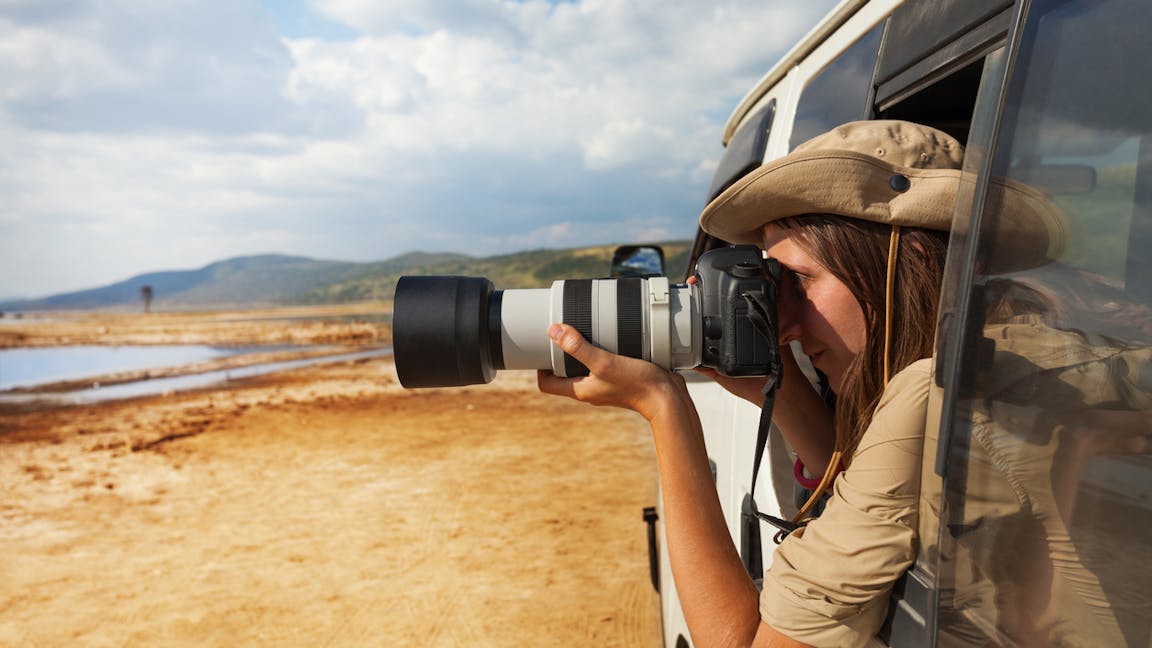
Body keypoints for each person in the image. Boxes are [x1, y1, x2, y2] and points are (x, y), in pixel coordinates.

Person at [537, 119, 966, 647]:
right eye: (771, 289)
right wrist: (778, 385)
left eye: (799, 282)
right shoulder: (983, 367)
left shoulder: (927, 392)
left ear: (909, 264)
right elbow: (873, 497)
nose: (783, 324)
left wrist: (663, 404)